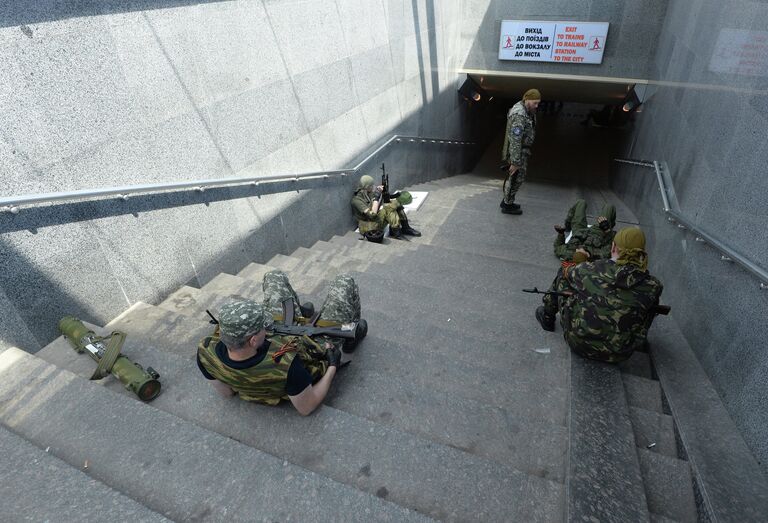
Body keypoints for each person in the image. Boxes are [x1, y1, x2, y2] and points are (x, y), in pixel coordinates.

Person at [196, 270, 361, 415]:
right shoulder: (287, 365)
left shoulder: (205, 351)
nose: (267, 327)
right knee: (345, 282)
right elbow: (307, 407)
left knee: (273, 276)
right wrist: (332, 366)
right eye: (263, 326)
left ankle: (298, 313)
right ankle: (353, 335)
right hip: (309, 346)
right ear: (253, 340)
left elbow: (227, 392)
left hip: (271, 344)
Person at [535, 227, 664, 363]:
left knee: (563, 275)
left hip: (578, 343)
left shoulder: (590, 268)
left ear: (613, 247)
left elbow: (569, 272)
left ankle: (547, 316)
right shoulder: (653, 285)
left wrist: (581, 261)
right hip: (619, 353)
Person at [500, 88, 541, 215]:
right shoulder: (520, 114)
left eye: (538, 103)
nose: (537, 105)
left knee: (515, 178)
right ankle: (507, 205)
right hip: (518, 153)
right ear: (527, 99)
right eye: (535, 102)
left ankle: (507, 200)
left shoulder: (528, 111)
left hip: (522, 152)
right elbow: (515, 139)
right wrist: (515, 161)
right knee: (517, 178)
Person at [351, 175, 420, 241]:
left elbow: (379, 204)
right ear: (367, 187)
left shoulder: (368, 193)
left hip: (374, 221)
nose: (373, 187)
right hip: (368, 227)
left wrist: (383, 193)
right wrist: (377, 197)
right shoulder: (357, 200)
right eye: (372, 186)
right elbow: (372, 215)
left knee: (394, 203)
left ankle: (405, 228)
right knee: (389, 208)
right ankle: (396, 233)